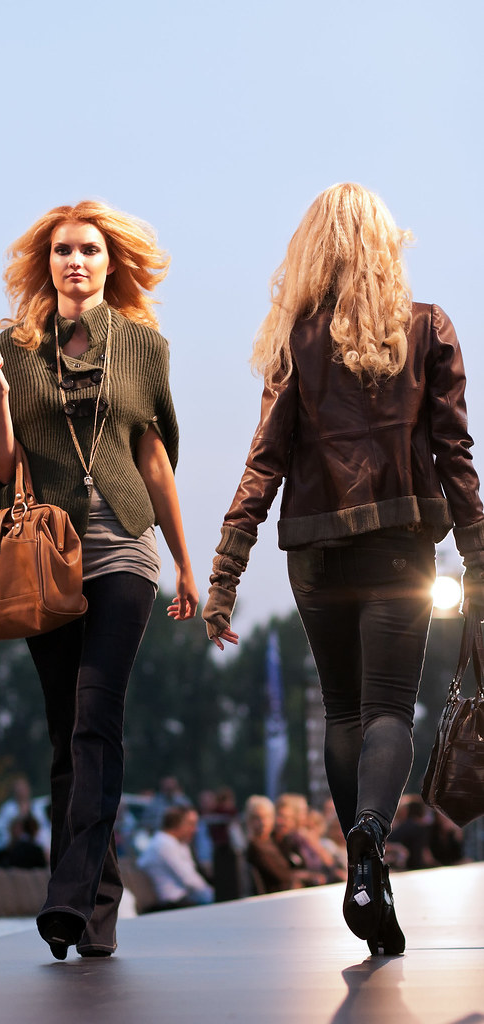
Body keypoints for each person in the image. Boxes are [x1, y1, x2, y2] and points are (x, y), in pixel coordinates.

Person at [203, 183, 484, 956]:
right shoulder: (427, 328)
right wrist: (477, 559)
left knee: (341, 713)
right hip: (398, 543)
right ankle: (368, 839)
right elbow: (455, 455)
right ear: (386, 246)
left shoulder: (293, 341)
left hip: (314, 552)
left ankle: (365, 875)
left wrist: (225, 574)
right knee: (389, 707)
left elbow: (263, 462)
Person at [0, 201, 198, 959]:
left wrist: (185, 562)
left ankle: (66, 896)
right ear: (47, 264)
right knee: (65, 731)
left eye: (90, 250)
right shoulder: (12, 347)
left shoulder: (143, 346)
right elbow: (1, 466)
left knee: (97, 713)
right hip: (44, 555)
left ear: (109, 262)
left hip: (124, 547)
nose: (76, 261)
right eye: (63, 250)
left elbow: (154, 461)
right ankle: (97, 911)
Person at [137, 806, 213, 909]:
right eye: (191, 824)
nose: (195, 829)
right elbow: (189, 880)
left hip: (183, 901)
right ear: (177, 824)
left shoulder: (176, 842)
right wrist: (214, 897)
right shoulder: (164, 844)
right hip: (171, 905)